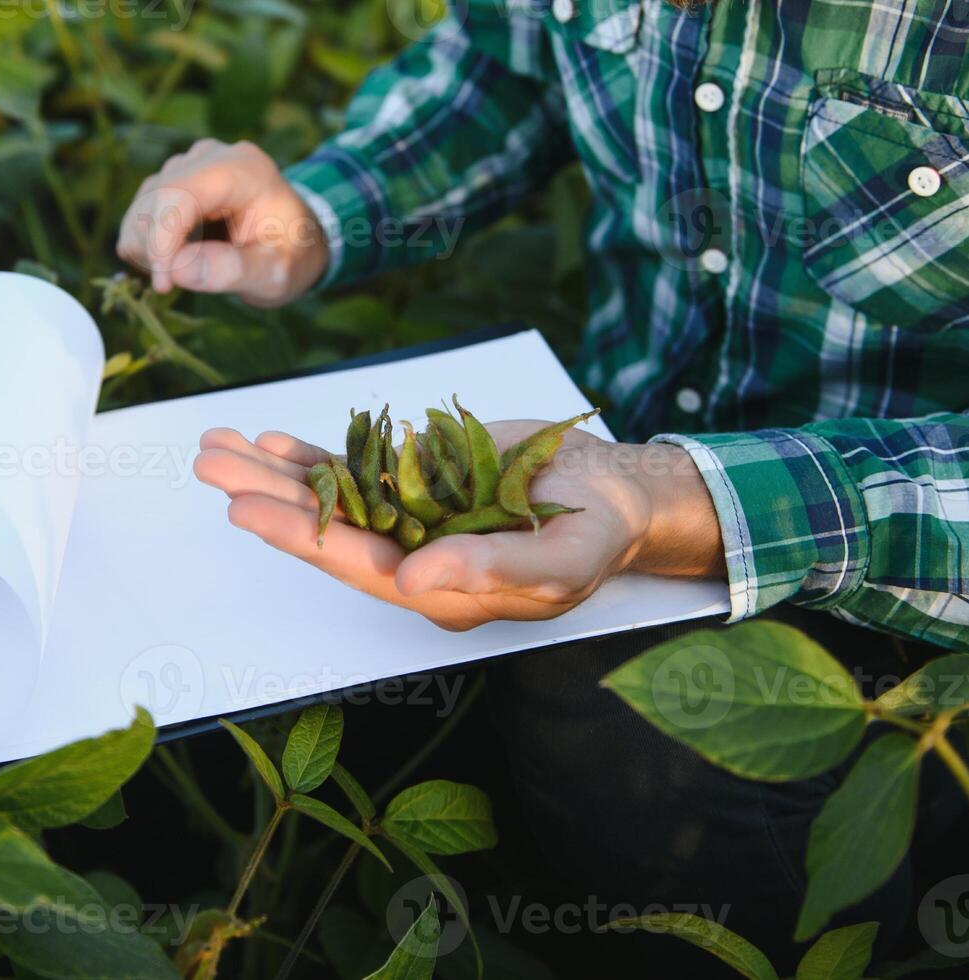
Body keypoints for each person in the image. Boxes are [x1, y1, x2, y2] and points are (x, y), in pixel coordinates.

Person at [118, 0, 968, 975]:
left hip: (910, 570)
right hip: (614, 445)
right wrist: (322, 212)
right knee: (280, 652)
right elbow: (508, 64)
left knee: (629, 718)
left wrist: (680, 500)